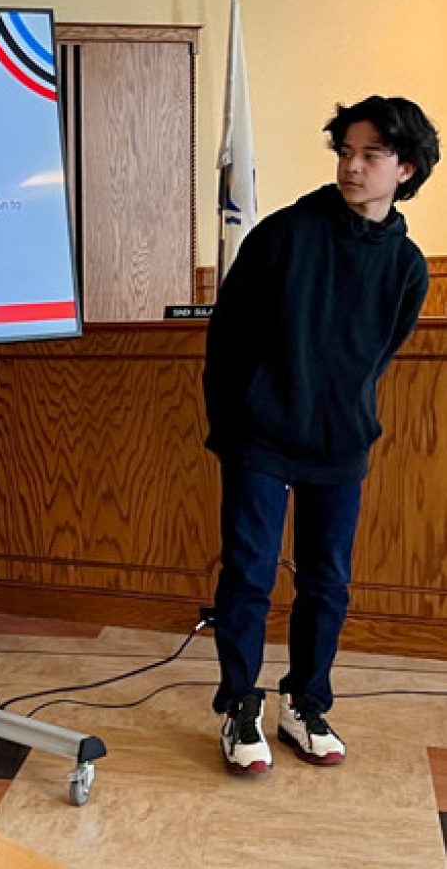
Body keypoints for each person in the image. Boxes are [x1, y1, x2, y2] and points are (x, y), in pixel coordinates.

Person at [203, 95, 439, 776]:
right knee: (248, 574)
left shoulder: (408, 266)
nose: (352, 166)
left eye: (371, 154)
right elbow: (228, 334)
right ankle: (239, 704)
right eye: (346, 151)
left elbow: (377, 356)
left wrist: (339, 411)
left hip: (340, 443)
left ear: (406, 169)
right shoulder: (283, 235)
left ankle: (304, 703)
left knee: (328, 581)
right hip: (260, 436)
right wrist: (236, 421)